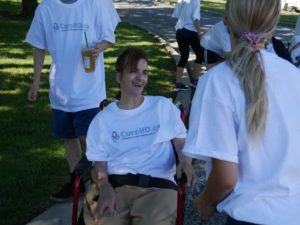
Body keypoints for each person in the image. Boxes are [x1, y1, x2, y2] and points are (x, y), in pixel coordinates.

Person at [182, 0, 300, 224]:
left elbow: (226, 178)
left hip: (251, 217)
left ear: (226, 17)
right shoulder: (294, 76)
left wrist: (204, 201)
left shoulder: (217, 81)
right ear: (273, 23)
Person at [84, 46, 196, 225]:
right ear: (119, 77)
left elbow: (181, 141)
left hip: (158, 188)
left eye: (144, 72)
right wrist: (104, 187)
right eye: (133, 72)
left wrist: (185, 162)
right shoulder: (102, 120)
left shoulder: (162, 107)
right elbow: (98, 165)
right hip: (115, 187)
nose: (140, 78)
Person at [25, 0, 120, 202]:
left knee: (90, 140)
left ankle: (104, 186)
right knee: (69, 138)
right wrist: (35, 83)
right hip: (60, 91)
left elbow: (109, 37)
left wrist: (99, 48)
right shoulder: (46, 9)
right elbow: (39, 47)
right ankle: (75, 182)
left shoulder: (95, 4)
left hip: (89, 91)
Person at [172, 0, 204, 90]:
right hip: (191, 32)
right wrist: (199, 33)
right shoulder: (196, 1)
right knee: (200, 55)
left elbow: (177, 14)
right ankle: (194, 81)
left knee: (184, 56)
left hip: (180, 31)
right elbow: (196, 18)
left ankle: (178, 84)